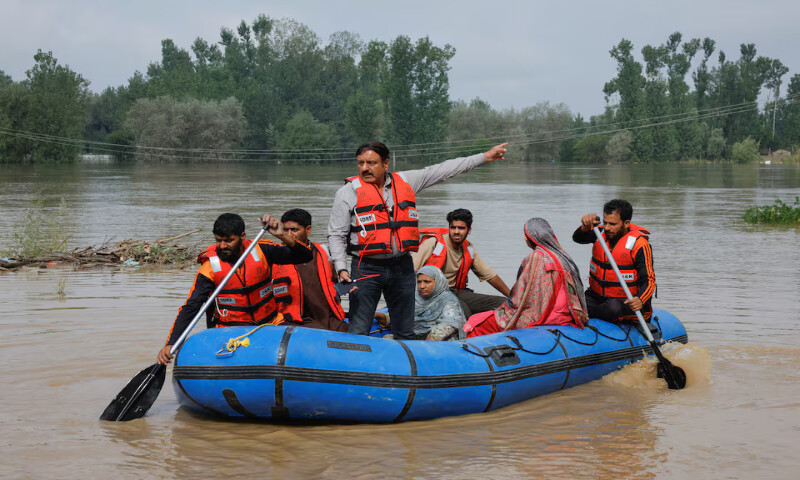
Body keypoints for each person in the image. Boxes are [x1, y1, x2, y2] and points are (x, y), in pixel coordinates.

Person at [328, 141, 509, 339]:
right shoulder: (347, 193)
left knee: (405, 330)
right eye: (361, 163)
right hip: (366, 268)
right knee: (359, 329)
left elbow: (443, 170)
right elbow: (336, 235)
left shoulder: (406, 182)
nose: (365, 168)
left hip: (402, 267)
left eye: (371, 163)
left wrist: (485, 157)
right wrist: (341, 268)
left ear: (386, 164)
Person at [157, 213, 313, 365]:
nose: (222, 246)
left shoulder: (263, 250)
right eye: (218, 240)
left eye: (229, 241)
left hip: (270, 324)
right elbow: (191, 307)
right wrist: (172, 342)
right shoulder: (209, 268)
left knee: (299, 353)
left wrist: (281, 235)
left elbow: (305, 256)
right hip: (230, 332)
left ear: (242, 236)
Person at [464, 218, 589, 337]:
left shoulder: (535, 258)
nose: (524, 238)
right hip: (564, 315)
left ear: (531, 238)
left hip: (542, 317)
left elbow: (518, 298)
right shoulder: (563, 257)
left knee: (477, 322)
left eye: (525, 235)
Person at [412, 208, 510, 318]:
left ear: (469, 230)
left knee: (503, 303)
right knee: (462, 309)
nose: (456, 232)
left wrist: (512, 297)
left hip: (456, 292)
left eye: (461, 228)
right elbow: (410, 269)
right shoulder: (433, 244)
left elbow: (490, 276)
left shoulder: (469, 249)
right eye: (453, 227)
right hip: (433, 295)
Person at [572, 199, 656, 323]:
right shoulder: (599, 233)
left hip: (624, 301)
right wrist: (585, 227)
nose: (607, 228)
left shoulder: (640, 245)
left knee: (612, 308)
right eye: (605, 222)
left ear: (626, 223)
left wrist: (640, 299)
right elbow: (578, 238)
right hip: (596, 297)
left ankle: (588, 313)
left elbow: (648, 280)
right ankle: (588, 311)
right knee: (571, 302)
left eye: (612, 224)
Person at [271, 208, 349, 332]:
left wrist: (347, 286)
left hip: (328, 316)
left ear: (308, 229)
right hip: (295, 320)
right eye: (285, 230)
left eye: (294, 230)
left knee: (353, 333)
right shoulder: (274, 254)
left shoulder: (323, 252)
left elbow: (332, 284)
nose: (289, 234)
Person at [376, 265, 467, 341]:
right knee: (387, 339)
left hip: (437, 344)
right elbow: (402, 318)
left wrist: (422, 345)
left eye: (427, 282)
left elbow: (448, 325)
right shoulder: (415, 298)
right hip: (415, 340)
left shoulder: (448, 300)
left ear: (438, 282)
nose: (422, 286)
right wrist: (381, 316)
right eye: (419, 282)